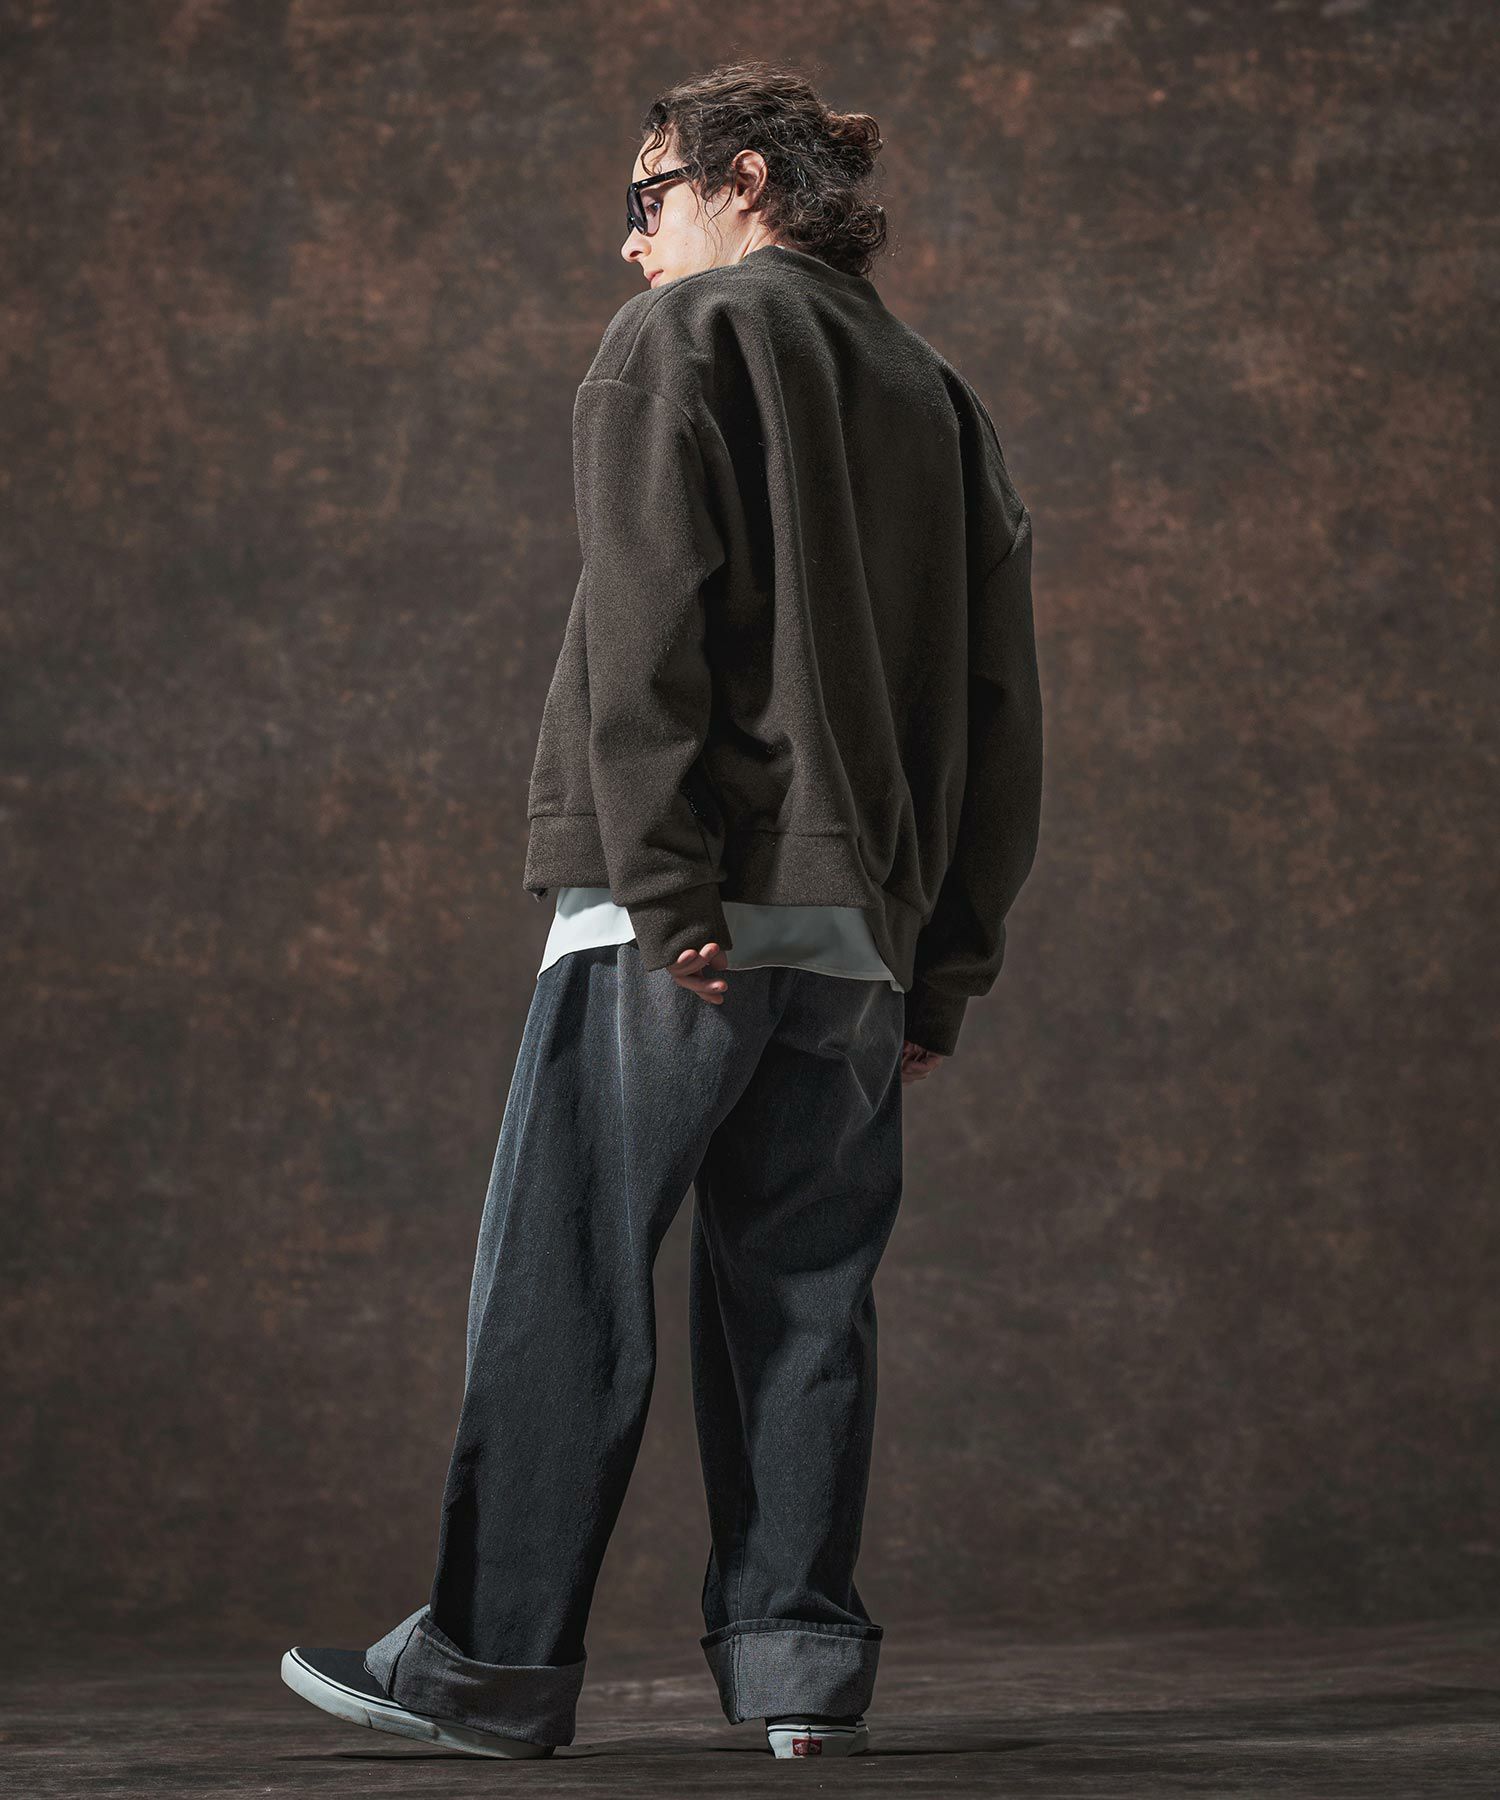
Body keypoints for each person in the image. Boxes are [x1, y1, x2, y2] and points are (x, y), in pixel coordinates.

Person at [281, 59, 1043, 1763]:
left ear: (745, 180)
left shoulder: (683, 338)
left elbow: (646, 636)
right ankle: (800, 1673)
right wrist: (944, 968)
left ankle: (489, 1666)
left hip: (676, 914)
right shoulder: (939, 397)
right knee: (806, 1295)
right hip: (860, 939)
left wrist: (661, 880)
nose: (630, 245)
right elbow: (1003, 709)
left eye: (646, 198)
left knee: (568, 1274)